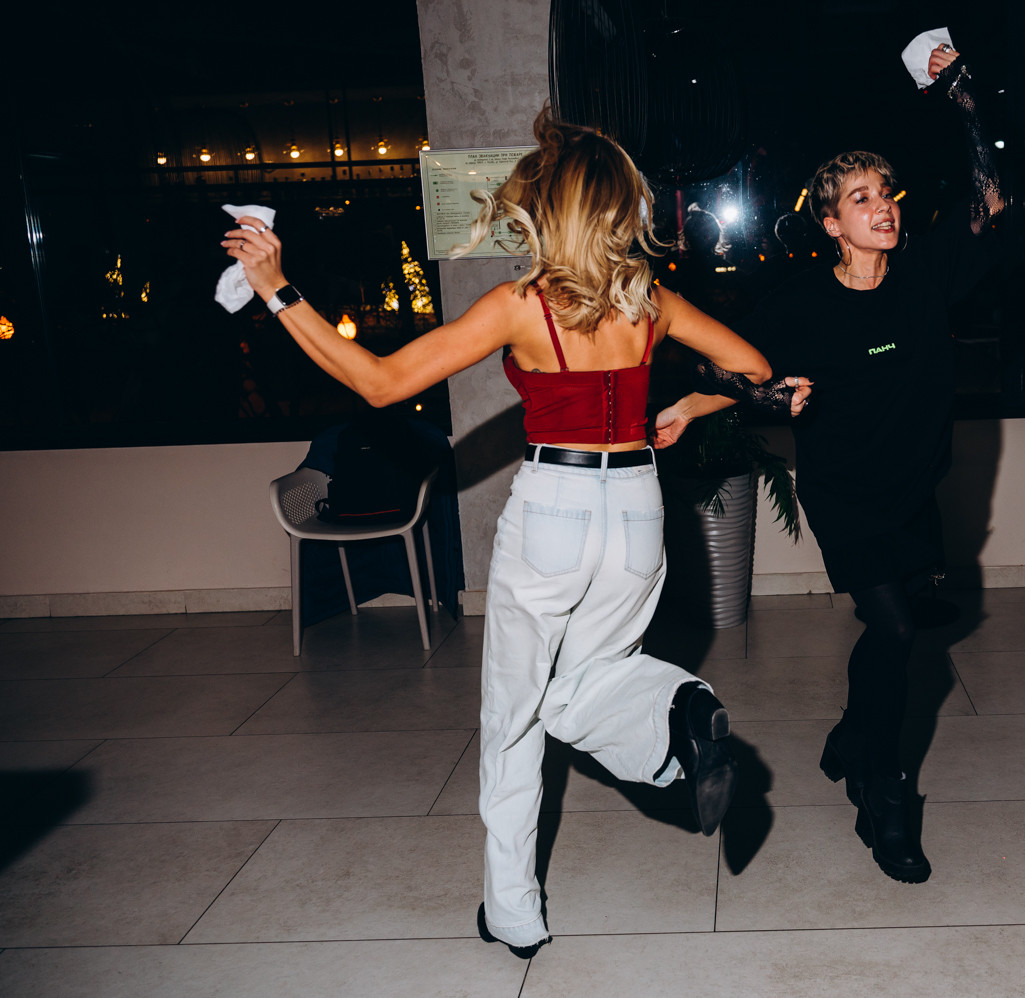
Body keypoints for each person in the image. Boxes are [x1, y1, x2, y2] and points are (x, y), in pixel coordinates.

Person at [222, 110, 810, 956]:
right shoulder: (652, 302)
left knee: (517, 715)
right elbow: (756, 371)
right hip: (639, 510)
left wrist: (279, 289)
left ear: (552, 210)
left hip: (552, 512)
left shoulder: (520, 307)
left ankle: (515, 913)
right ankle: (678, 711)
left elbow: (380, 383)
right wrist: (684, 405)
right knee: (595, 679)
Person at [660, 44, 1004, 885]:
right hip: (845, 493)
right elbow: (732, 367)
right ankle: (882, 795)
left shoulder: (925, 275)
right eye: (860, 198)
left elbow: (992, 202)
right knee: (897, 630)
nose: (882, 207)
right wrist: (696, 407)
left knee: (895, 629)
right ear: (830, 224)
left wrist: (966, 101)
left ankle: (852, 736)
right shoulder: (803, 304)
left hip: (913, 489)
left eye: (886, 193)